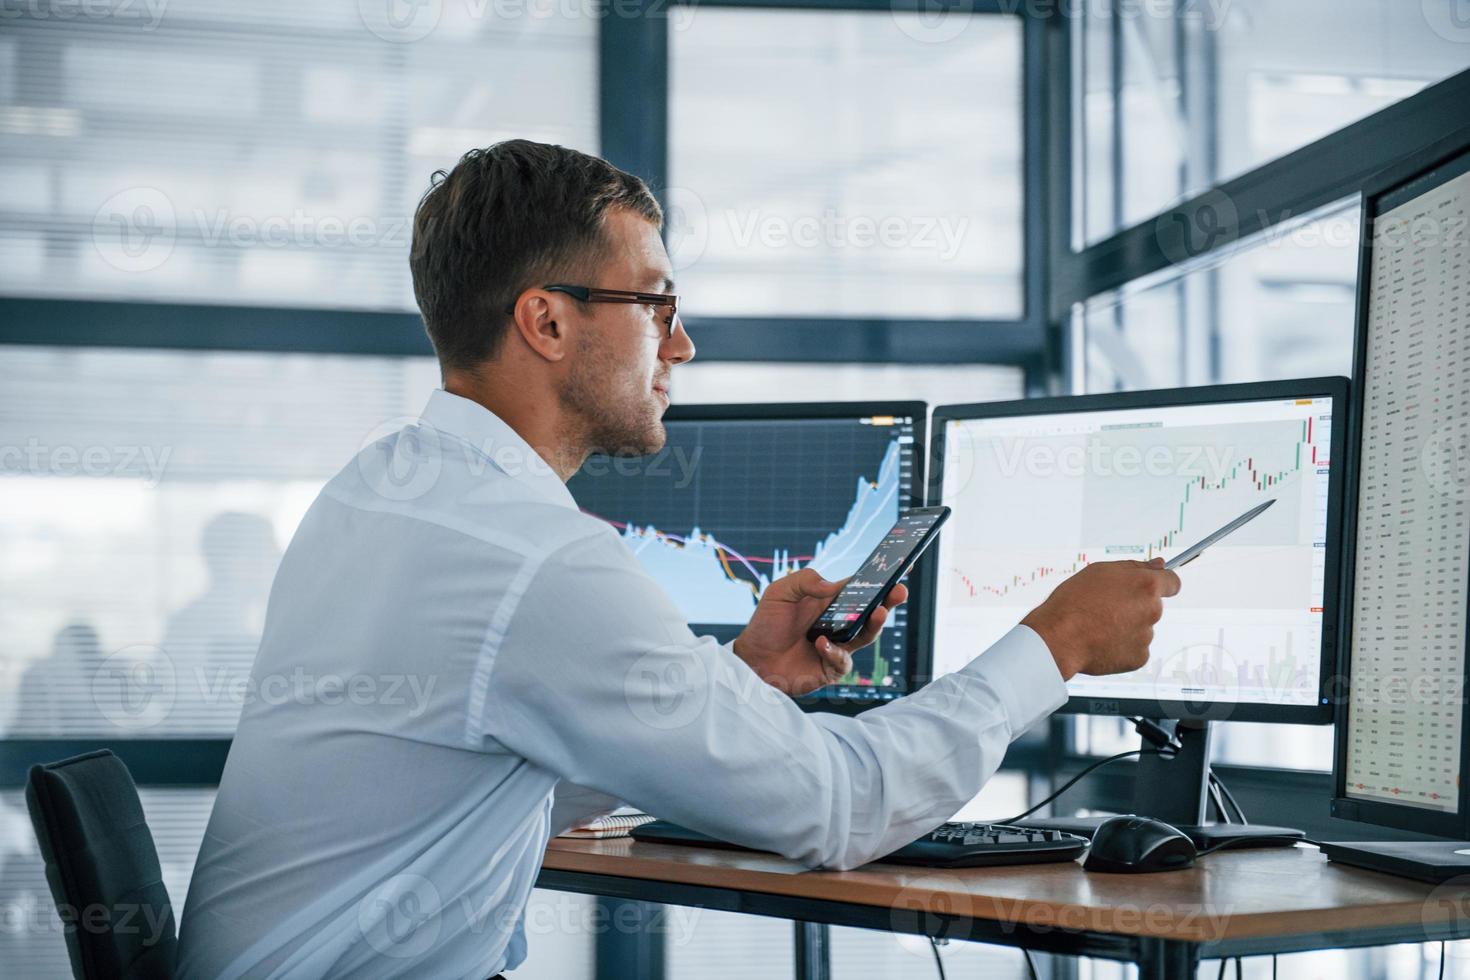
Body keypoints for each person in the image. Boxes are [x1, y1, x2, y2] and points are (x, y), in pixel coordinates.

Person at [176, 140, 1180, 979]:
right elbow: (836, 806)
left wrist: (737, 679)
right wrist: (1055, 644)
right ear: (549, 320)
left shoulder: (380, 488)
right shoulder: (536, 560)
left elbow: (470, 781)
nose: (684, 343)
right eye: (656, 302)